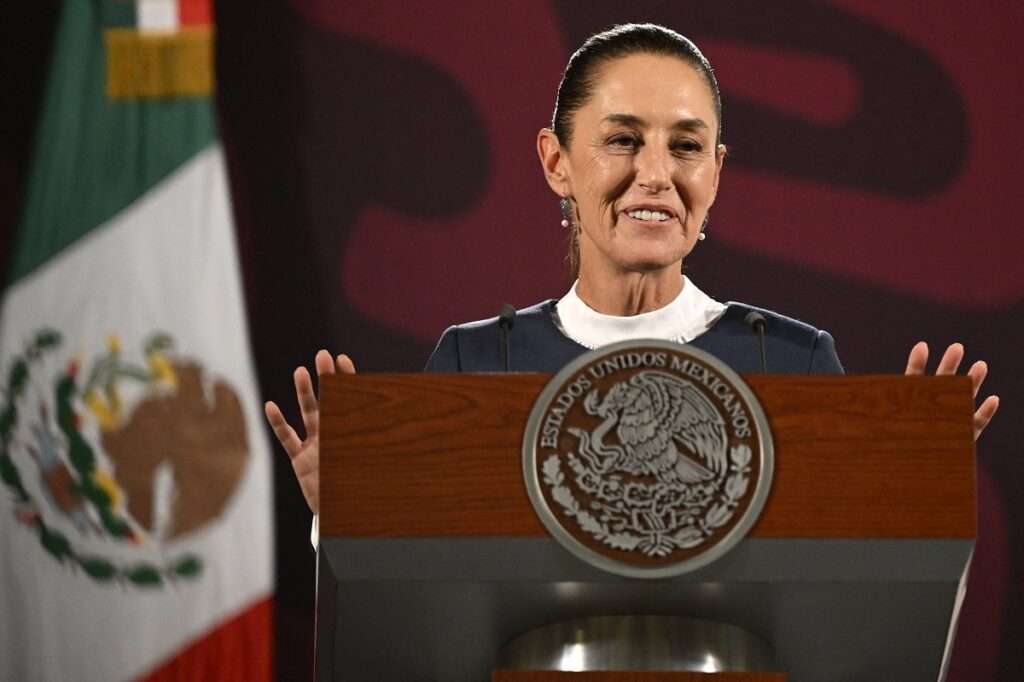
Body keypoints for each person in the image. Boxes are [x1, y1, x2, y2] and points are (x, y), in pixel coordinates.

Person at [264, 22, 999, 528]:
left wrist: (906, 501)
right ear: (557, 162)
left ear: (715, 172)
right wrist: (352, 523)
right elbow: (424, 614)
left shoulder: (794, 360)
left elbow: (844, 608)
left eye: (686, 146)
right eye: (622, 139)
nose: (655, 175)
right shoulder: (477, 363)